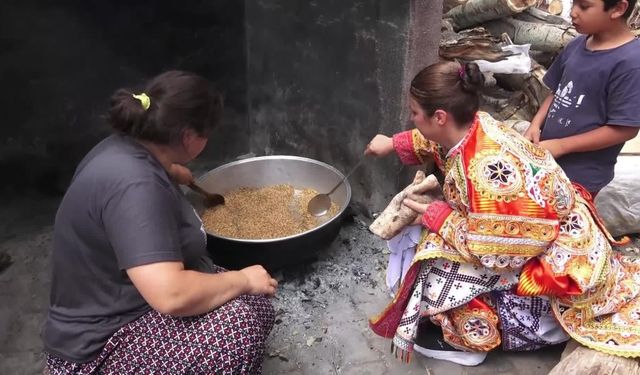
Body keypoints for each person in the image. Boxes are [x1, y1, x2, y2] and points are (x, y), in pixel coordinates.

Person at [365, 60, 640, 366]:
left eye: (415, 112)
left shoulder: (486, 174)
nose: (411, 118)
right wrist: (392, 143)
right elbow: (435, 141)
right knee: (428, 243)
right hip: (530, 237)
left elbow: (493, 252)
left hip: (557, 271)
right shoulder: (476, 124)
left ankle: (474, 339)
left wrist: (438, 216)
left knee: (433, 267)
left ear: (439, 116)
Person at [44, 71, 278, 374]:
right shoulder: (136, 186)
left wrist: (168, 170)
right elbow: (172, 295)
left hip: (130, 300)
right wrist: (242, 279)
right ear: (189, 138)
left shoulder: (126, 148)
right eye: (207, 134)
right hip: (99, 346)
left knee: (256, 304)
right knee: (236, 327)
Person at [523, 0, 640, 197]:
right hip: (547, 160)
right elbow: (557, 91)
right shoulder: (576, 45)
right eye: (573, 3)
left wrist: (561, 145)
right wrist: (535, 125)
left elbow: (625, 129)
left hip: (580, 176)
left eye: (584, 7)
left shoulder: (631, 63)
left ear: (618, 9)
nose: (573, 13)